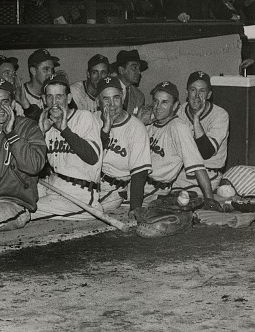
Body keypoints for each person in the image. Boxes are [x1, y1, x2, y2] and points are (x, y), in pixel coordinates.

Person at [0, 79, 47, 232]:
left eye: (4, 102)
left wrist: (10, 133)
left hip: (16, 203)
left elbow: (34, 166)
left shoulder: (29, 127)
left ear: (13, 104)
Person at [31, 73, 103, 222]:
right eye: (50, 97)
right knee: (15, 198)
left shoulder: (84, 118)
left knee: (25, 209)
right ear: (44, 100)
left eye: (59, 96)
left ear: (69, 98)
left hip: (81, 194)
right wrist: (40, 135)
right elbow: (33, 167)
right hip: (54, 187)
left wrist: (65, 131)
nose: (54, 102)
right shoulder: (47, 124)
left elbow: (92, 157)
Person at [144, 81, 220, 209]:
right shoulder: (150, 124)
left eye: (164, 102)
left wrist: (209, 199)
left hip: (153, 189)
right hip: (137, 184)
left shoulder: (179, 128)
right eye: (156, 101)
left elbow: (197, 166)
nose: (158, 106)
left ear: (175, 106)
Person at [94, 76, 151, 220]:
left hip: (113, 188)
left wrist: (135, 207)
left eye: (116, 98)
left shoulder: (136, 128)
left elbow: (139, 173)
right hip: (89, 181)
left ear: (123, 98)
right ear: (97, 101)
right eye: (106, 99)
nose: (112, 104)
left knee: (84, 209)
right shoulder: (91, 119)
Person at [172, 71, 229, 193]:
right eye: (193, 90)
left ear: (209, 94)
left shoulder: (220, 115)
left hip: (209, 173)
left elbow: (206, 152)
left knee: (178, 198)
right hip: (180, 172)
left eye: (202, 91)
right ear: (186, 92)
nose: (197, 95)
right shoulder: (178, 111)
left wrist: (196, 119)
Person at [15, 48, 59, 121]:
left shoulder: (54, 93)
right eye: (46, 69)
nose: (50, 73)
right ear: (33, 71)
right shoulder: (20, 95)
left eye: (52, 69)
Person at [114, 49, 147, 119]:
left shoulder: (139, 96)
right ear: (121, 70)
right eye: (134, 68)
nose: (139, 72)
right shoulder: (107, 88)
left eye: (139, 68)